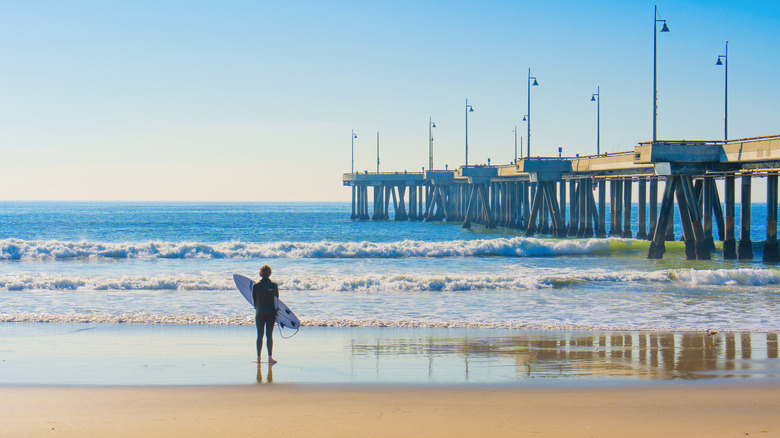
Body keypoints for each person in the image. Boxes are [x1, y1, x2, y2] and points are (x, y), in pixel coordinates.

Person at [252, 265, 279, 364]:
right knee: (269, 335)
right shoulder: (274, 286)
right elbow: (277, 301)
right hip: (271, 312)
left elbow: (254, 301)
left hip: (259, 312)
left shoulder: (255, 286)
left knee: (259, 335)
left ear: (260, 273)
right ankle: (270, 358)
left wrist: (259, 309)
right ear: (270, 273)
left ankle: (258, 358)